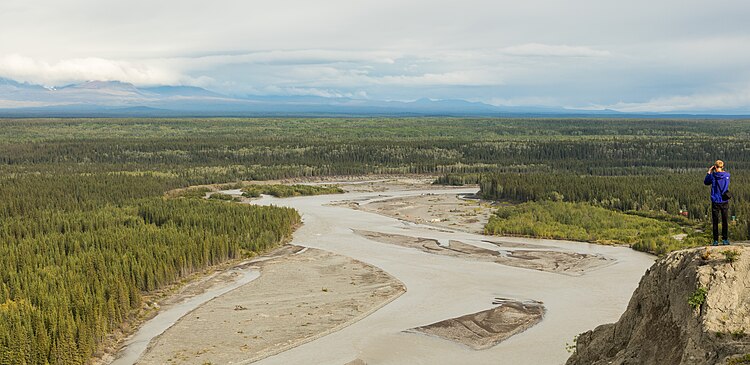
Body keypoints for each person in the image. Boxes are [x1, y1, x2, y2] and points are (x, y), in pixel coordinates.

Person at [704, 160, 730, 246]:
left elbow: (706, 182)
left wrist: (709, 172)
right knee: (724, 221)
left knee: (715, 221)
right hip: (724, 201)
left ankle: (715, 241)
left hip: (715, 201)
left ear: (715, 167)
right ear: (722, 166)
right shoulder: (727, 175)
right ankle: (725, 240)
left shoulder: (713, 176)